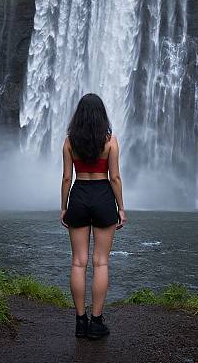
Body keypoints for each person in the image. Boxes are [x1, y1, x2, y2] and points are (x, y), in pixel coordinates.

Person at [60, 93, 127, 340]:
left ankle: (80, 322)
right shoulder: (110, 141)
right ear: (101, 115)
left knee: (78, 262)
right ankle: (96, 323)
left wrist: (64, 206)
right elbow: (115, 178)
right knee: (101, 262)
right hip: (103, 196)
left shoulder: (70, 142)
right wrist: (121, 208)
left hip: (78, 195)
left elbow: (67, 177)